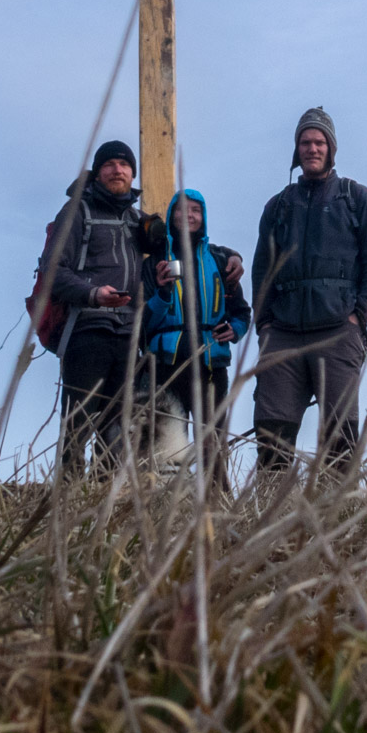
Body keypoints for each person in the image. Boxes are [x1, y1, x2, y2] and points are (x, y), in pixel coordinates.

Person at [250, 108, 367, 475]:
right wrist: (263, 323)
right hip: (282, 334)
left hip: (336, 330)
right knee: (272, 432)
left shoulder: (357, 199)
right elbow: (262, 269)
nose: (312, 148)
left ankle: (335, 514)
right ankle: (269, 513)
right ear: (296, 149)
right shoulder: (278, 205)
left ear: (331, 148)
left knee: (340, 434)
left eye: (319, 142)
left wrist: (359, 314)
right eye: (305, 142)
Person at [32, 140, 161, 473]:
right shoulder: (78, 213)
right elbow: (53, 272)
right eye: (109, 164)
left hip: (129, 334)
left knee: (117, 431)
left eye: (124, 165)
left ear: (132, 174)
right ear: (97, 172)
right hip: (88, 329)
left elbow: (187, 234)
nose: (117, 170)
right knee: (78, 424)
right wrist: (93, 294)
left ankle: (105, 507)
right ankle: (67, 503)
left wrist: (230, 256)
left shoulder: (138, 221)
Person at [143, 189, 250, 487]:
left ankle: (217, 508)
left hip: (210, 364)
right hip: (165, 363)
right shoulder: (154, 264)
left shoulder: (220, 260)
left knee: (211, 443)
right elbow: (142, 321)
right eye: (180, 210)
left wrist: (237, 329)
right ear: (170, 216)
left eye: (195, 210)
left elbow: (241, 311)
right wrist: (163, 293)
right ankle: (169, 511)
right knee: (167, 443)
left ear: (203, 217)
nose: (188, 216)